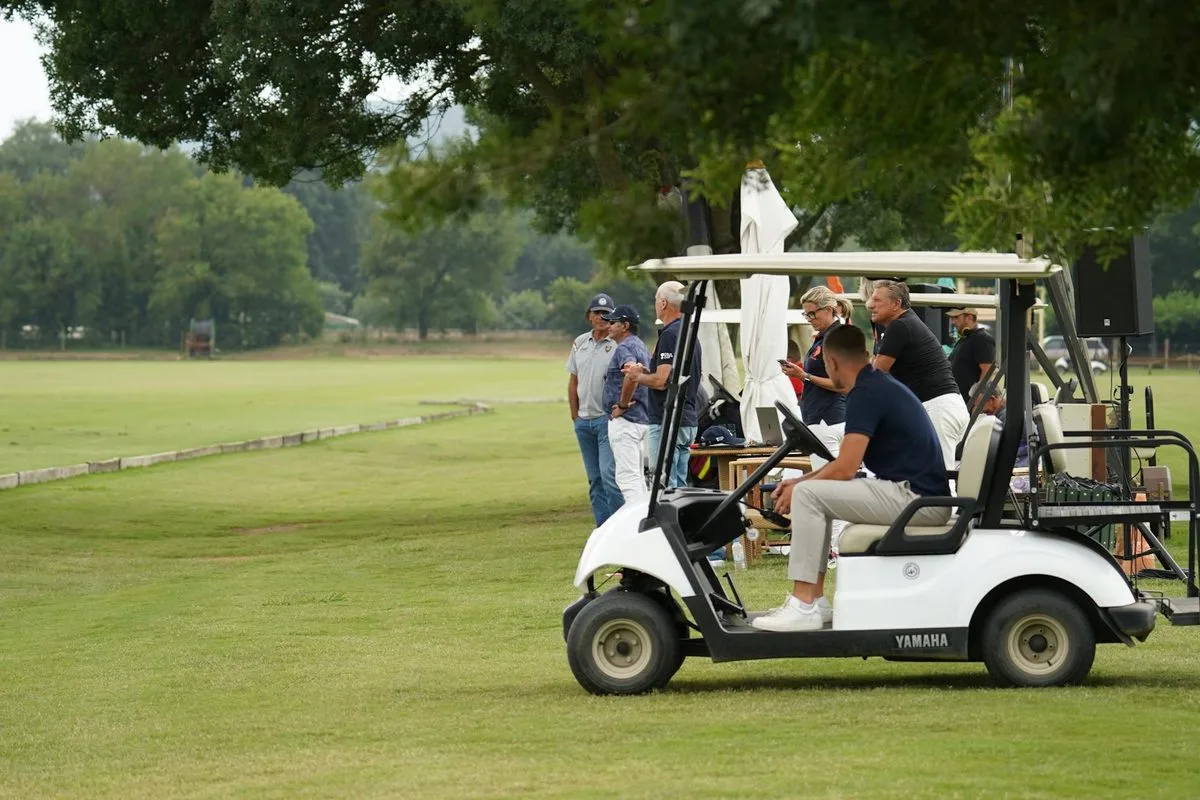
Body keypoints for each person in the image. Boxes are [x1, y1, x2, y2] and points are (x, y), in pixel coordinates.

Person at [752, 325, 952, 632]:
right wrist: (799, 482)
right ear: (866, 354)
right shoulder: (874, 385)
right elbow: (844, 466)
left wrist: (800, 486)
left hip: (917, 501)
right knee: (810, 491)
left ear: (830, 362)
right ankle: (815, 601)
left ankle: (803, 604)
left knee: (809, 495)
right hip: (912, 494)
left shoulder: (865, 394)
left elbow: (846, 468)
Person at [868, 280, 969, 468]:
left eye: (876, 300)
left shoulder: (900, 326)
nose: (870, 305)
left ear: (896, 304)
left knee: (939, 479)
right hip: (943, 407)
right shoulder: (906, 323)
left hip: (939, 409)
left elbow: (876, 374)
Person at [623, 281, 702, 489]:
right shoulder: (689, 332)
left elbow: (662, 381)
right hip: (688, 419)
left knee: (665, 484)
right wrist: (646, 372)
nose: (655, 305)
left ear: (664, 303)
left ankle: (668, 522)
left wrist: (636, 376)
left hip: (668, 419)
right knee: (681, 485)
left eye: (656, 300)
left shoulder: (669, 334)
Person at [566, 293, 623, 526]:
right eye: (597, 313)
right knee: (595, 480)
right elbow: (573, 381)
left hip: (605, 420)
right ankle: (604, 528)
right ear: (589, 316)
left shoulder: (616, 345)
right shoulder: (580, 343)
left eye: (606, 314)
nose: (602, 317)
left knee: (609, 476)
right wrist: (575, 416)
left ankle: (621, 525)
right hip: (584, 422)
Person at [780, 286, 851, 470]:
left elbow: (842, 384)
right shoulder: (824, 337)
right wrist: (801, 375)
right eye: (806, 315)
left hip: (826, 419)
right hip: (825, 417)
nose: (810, 320)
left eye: (813, 314)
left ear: (828, 310)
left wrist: (804, 376)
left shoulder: (834, 338)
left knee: (828, 481)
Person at [602, 304, 653, 507]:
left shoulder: (625, 347)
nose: (609, 326)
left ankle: (638, 526)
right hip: (643, 419)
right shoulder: (640, 344)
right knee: (640, 478)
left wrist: (622, 405)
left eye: (613, 322)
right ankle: (645, 520)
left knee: (628, 479)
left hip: (627, 420)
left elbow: (632, 372)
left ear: (625, 325)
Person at [947, 308, 996, 401]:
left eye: (956, 317)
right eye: (952, 318)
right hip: (958, 399)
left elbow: (987, 372)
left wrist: (977, 398)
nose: (953, 322)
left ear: (969, 317)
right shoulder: (965, 339)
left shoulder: (982, 339)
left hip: (970, 402)